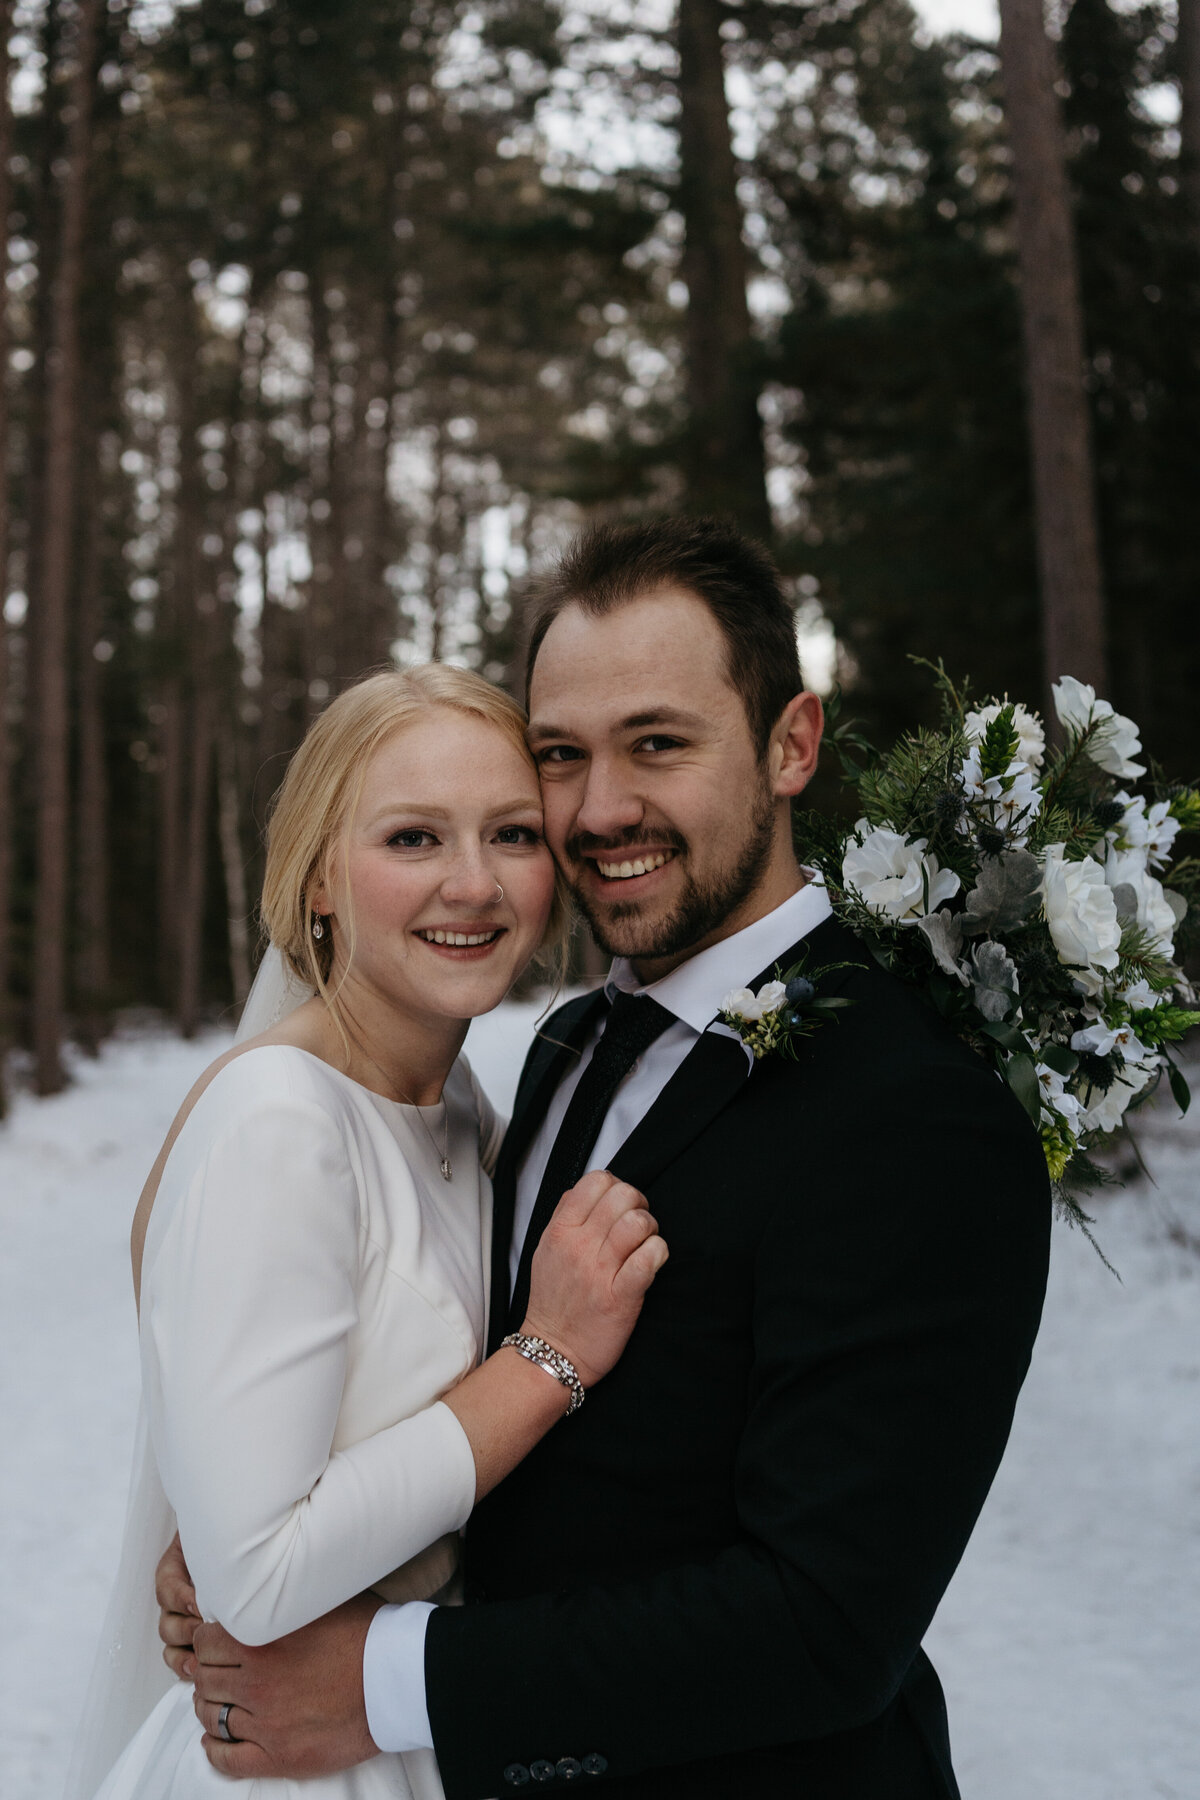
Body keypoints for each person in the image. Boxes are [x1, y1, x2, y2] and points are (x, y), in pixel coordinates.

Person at [164, 518, 1051, 1799]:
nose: (600, 810)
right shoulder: (569, 1040)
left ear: (791, 744)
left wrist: (372, 1677)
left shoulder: (915, 1115)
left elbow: (823, 1626)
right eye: (561, 757)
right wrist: (249, 1525)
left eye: (659, 745)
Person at [66, 663, 667, 1800]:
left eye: (510, 835)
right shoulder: (279, 1121)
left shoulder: (460, 1110)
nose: (473, 884)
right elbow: (257, 1574)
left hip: (410, 1732)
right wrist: (548, 1358)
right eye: (413, 839)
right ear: (319, 882)